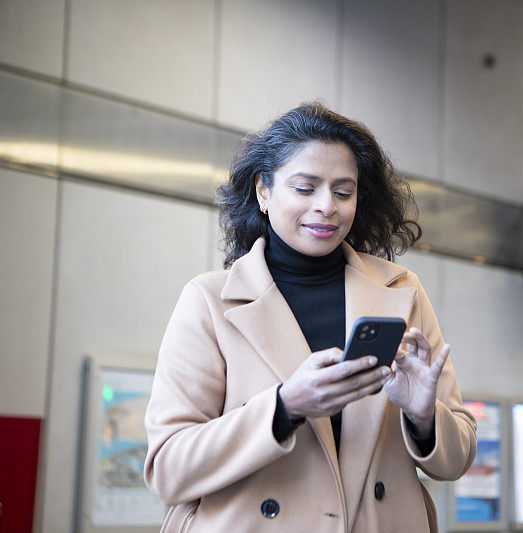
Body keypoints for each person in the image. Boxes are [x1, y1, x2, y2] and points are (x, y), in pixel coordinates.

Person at [144, 103, 477, 532]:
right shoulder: (209, 301)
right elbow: (168, 470)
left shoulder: (402, 291)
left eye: (343, 192)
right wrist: (285, 407)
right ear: (263, 192)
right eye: (305, 188)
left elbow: (458, 457)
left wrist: (424, 416)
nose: (327, 207)